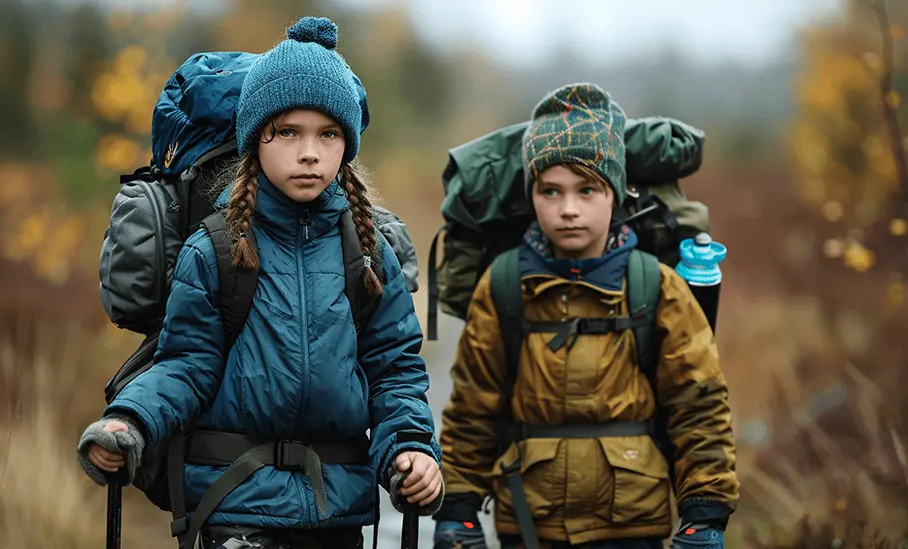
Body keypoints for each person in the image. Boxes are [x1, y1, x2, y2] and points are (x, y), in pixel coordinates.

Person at [77, 16, 442, 549]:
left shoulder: (367, 253)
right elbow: (186, 365)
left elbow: (394, 372)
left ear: (347, 144)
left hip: (336, 513)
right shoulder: (215, 249)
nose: (310, 152)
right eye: (288, 132)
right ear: (255, 140)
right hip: (234, 504)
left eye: (328, 133)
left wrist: (410, 448)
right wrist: (130, 422)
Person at [432, 83, 739, 549]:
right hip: (529, 526)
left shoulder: (655, 286)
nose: (568, 209)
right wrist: (458, 510)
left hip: (632, 528)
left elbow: (698, 405)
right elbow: (473, 409)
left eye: (587, 189)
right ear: (531, 194)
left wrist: (705, 513)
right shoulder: (503, 285)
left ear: (615, 192)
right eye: (550, 190)